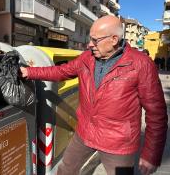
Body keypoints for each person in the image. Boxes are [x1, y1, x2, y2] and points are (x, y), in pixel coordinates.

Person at [20, 15, 168, 175]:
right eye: (90, 39)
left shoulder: (141, 64)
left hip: (118, 142)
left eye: (95, 40)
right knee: (65, 170)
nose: (90, 44)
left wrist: (151, 155)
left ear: (114, 39)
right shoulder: (86, 58)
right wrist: (28, 71)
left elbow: (156, 114)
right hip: (85, 132)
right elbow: (61, 71)